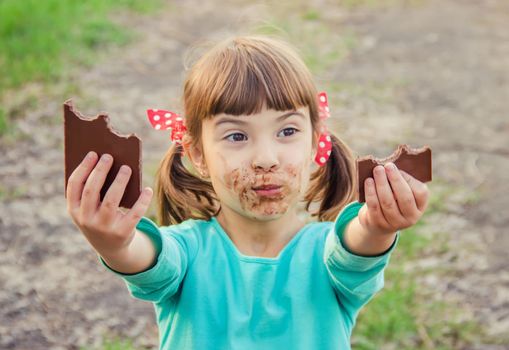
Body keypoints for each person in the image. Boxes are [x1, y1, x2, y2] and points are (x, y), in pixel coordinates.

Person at [65, 35, 429, 350]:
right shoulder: (187, 251)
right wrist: (114, 244)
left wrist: (378, 226)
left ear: (316, 141)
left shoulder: (327, 255)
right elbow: (147, 259)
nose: (265, 159)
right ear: (197, 154)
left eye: (287, 131)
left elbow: (354, 247)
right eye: (236, 136)